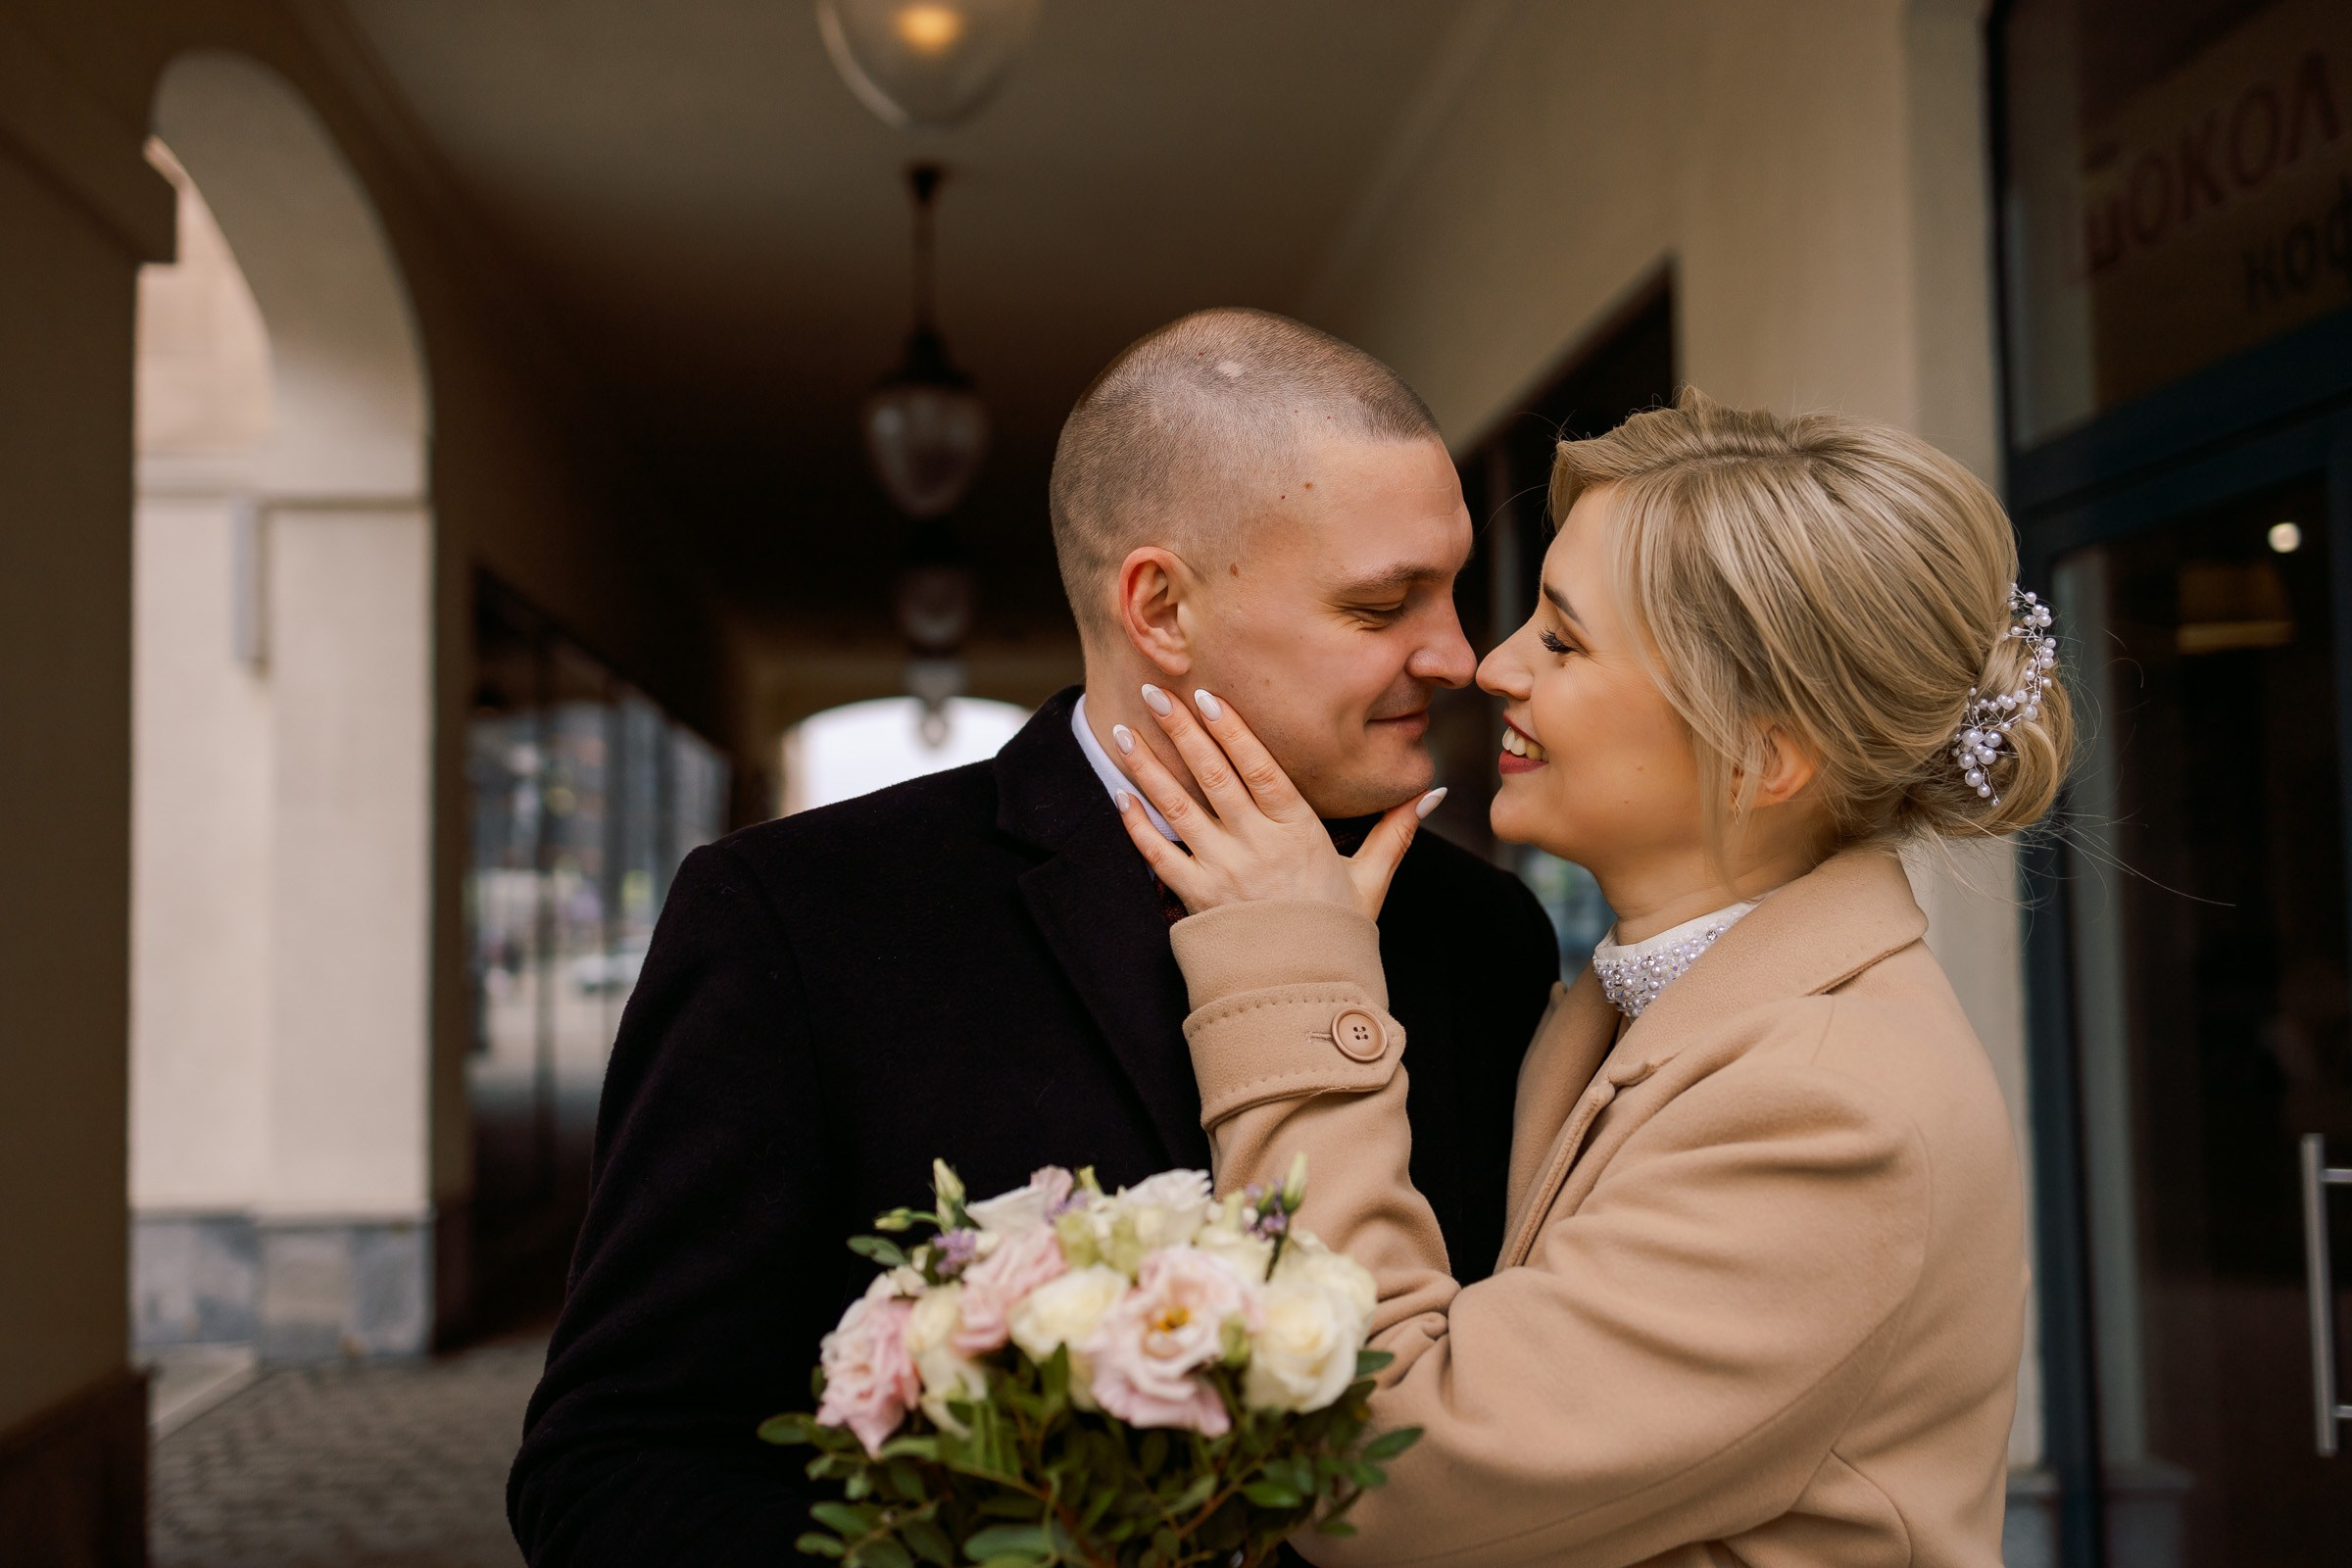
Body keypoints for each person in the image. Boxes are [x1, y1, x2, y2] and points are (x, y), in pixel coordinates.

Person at [506, 309, 1561, 1566]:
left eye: (1451, 588)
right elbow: (616, 1461)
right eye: (1384, 603)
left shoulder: (1487, 933)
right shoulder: (798, 916)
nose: (1460, 655)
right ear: (1159, 608)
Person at [1111, 390, 2067, 1567]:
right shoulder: (1641, 1001)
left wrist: (1294, 976)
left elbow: (1392, 1472)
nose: (1490, 664)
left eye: (1562, 640)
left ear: (1766, 752)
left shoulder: (1833, 1105)